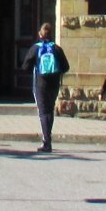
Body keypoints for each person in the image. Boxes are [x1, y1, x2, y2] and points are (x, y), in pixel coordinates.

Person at [27, 22, 70, 153]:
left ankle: (47, 142)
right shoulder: (57, 48)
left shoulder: (36, 48)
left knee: (43, 112)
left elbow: (25, 66)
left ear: (40, 34)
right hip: (54, 83)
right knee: (50, 111)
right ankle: (48, 138)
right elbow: (66, 67)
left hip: (40, 83)